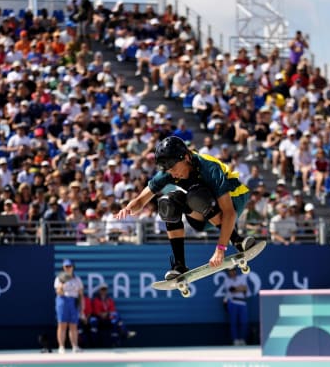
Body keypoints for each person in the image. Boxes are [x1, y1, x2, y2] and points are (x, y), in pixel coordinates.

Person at [115, 136, 254, 280]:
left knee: (196, 196)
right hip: (204, 215)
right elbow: (141, 199)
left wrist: (220, 249)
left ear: (187, 158)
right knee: (168, 202)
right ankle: (179, 266)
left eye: (174, 168)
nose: (173, 173)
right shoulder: (169, 173)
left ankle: (237, 240)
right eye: (169, 170)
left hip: (234, 200)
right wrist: (128, 209)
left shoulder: (208, 167)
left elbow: (229, 213)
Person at [90, 283, 135, 347]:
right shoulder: (96, 300)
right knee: (94, 321)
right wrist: (106, 313)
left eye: (105, 289)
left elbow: (113, 311)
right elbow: (98, 313)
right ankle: (125, 333)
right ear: (99, 291)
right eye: (102, 289)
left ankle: (117, 342)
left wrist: (108, 314)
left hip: (108, 318)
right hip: (99, 320)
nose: (103, 291)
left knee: (116, 319)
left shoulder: (110, 300)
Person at [54, 258, 84, 354]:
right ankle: (61, 347)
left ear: (73, 267)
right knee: (62, 325)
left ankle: (75, 346)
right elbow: (59, 292)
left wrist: (82, 308)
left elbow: (81, 294)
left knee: (73, 325)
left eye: (69, 266)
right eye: (66, 266)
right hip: (62, 301)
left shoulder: (77, 279)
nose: (68, 268)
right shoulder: (59, 278)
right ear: (63, 267)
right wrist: (61, 285)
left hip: (73, 301)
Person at [223, 268, 248, 346]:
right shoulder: (226, 280)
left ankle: (242, 339)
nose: (232, 272)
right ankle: (235, 340)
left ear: (235, 271)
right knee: (233, 323)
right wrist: (240, 288)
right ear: (228, 272)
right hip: (232, 302)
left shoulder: (242, 278)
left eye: (233, 270)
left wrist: (238, 288)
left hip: (242, 302)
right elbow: (231, 289)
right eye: (230, 271)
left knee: (244, 322)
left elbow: (245, 289)